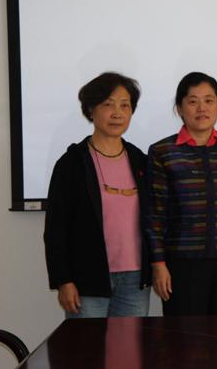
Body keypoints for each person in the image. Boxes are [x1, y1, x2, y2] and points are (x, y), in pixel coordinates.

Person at [147, 71, 217, 316]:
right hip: (181, 262)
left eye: (209, 100)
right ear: (179, 108)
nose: (202, 108)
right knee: (184, 334)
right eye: (193, 101)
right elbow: (155, 214)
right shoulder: (162, 151)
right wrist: (158, 263)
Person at [44, 72, 151, 318]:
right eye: (108, 105)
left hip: (135, 280)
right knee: (87, 344)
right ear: (91, 110)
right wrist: (63, 280)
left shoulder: (140, 160)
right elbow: (56, 229)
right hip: (87, 278)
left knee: (129, 343)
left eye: (125, 105)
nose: (117, 113)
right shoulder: (72, 163)